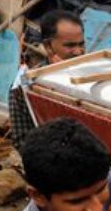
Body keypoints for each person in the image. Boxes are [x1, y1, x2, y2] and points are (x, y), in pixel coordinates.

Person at [10, 10, 88, 148]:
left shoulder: (93, 73)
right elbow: (23, 142)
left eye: (81, 44)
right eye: (70, 46)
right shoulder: (26, 84)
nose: (78, 51)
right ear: (48, 47)